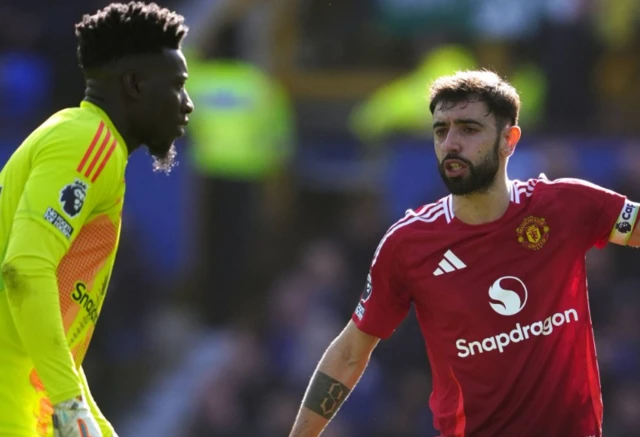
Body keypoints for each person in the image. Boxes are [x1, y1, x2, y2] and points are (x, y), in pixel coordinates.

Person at [289, 70, 639, 437]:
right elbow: (349, 352)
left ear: (509, 140)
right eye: (441, 131)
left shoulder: (565, 205)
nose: (451, 143)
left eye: (469, 129)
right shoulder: (408, 244)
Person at [0, 2, 193, 437]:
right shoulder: (90, 142)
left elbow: (56, 333)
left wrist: (96, 423)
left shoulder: (87, 143)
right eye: (178, 86)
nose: (187, 104)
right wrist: (69, 404)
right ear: (135, 85)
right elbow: (24, 268)